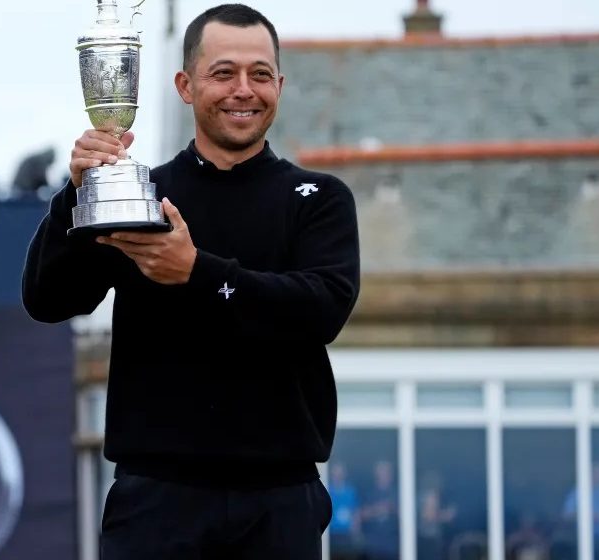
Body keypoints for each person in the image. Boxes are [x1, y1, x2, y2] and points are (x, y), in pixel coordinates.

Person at [21, 3, 360, 558]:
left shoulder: (318, 200)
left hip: (277, 498)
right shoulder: (142, 195)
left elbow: (321, 311)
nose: (243, 90)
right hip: (156, 498)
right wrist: (75, 195)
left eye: (260, 74)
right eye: (223, 73)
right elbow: (49, 300)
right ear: (185, 84)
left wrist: (197, 272)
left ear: (280, 84)